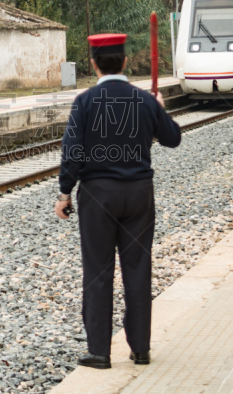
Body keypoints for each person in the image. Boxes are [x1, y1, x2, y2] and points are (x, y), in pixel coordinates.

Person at [54, 33, 182, 369]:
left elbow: (72, 153)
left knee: (98, 271)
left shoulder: (85, 102)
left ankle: (99, 351)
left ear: (94, 64)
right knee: (137, 269)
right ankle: (140, 349)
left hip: (98, 196)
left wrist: (65, 192)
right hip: (139, 194)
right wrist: (162, 111)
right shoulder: (145, 100)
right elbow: (173, 139)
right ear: (125, 62)